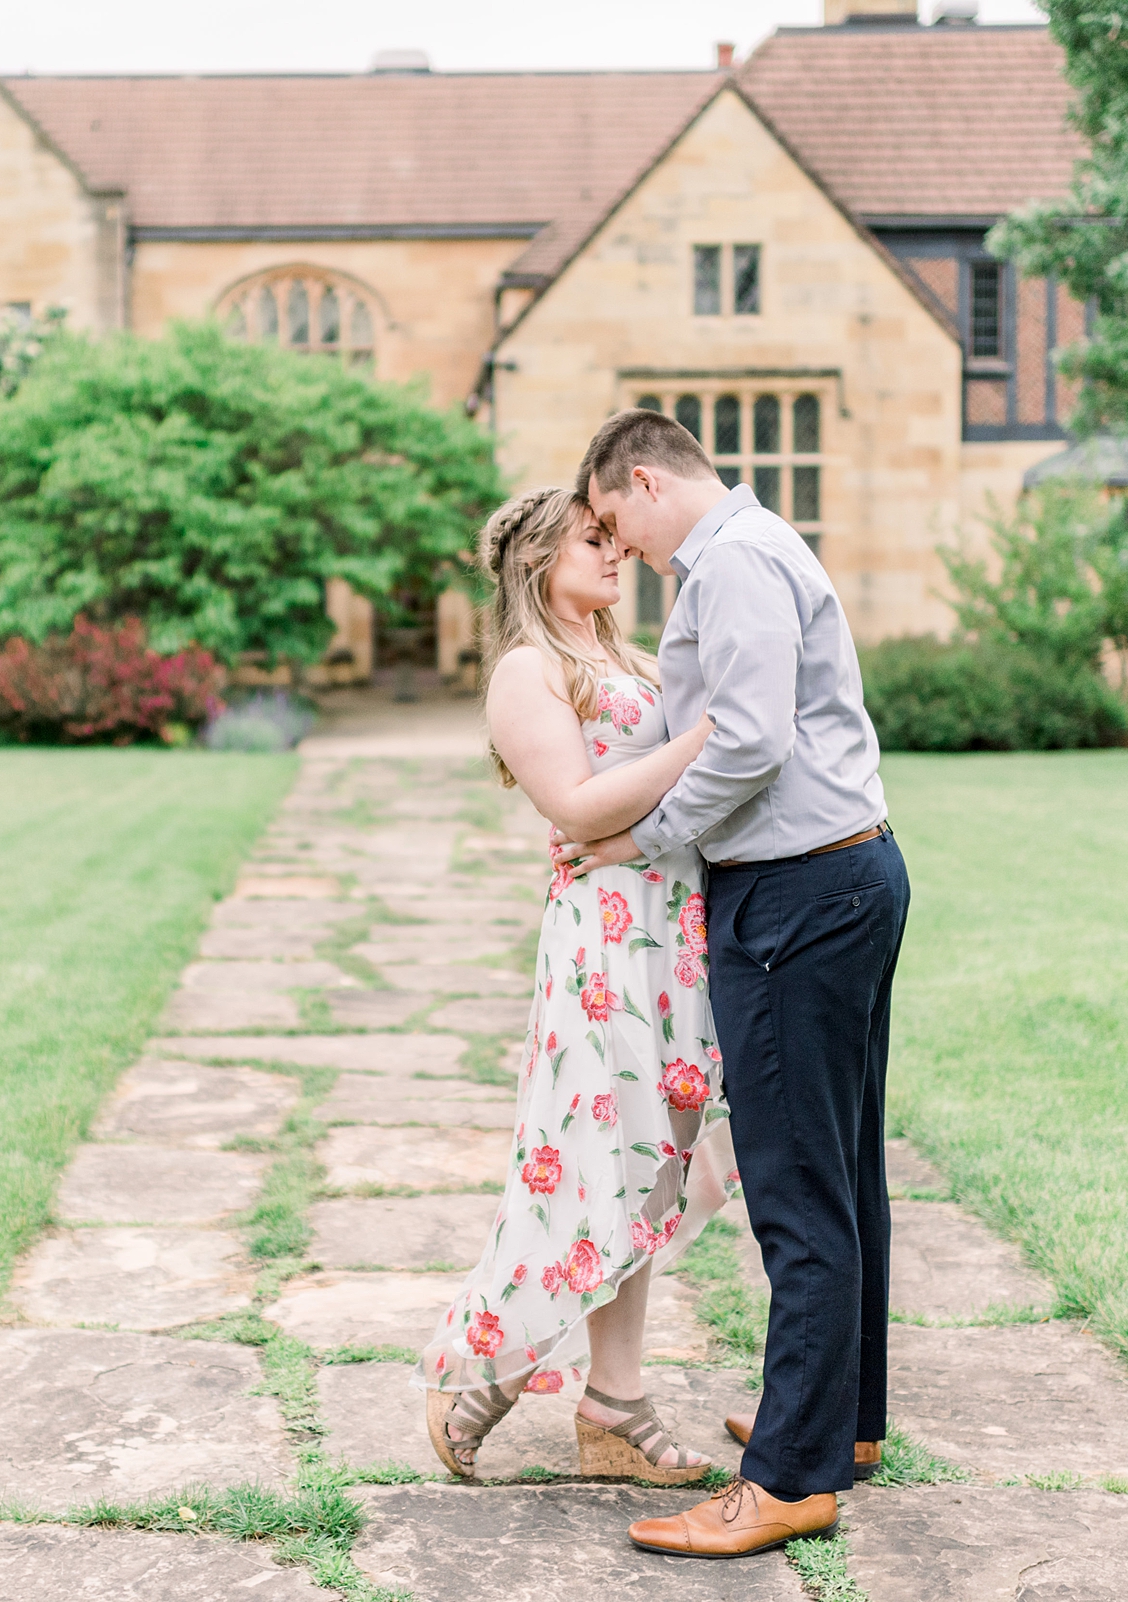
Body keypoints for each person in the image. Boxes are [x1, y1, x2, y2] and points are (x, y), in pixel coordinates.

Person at [559, 409, 909, 1557]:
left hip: (801, 895)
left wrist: (647, 837)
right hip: (837, 878)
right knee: (842, 1167)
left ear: (647, 483)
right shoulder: (746, 553)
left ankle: (792, 1478)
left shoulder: (735, 564)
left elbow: (748, 743)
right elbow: (700, 727)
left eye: (618, 524)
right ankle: (841, 1421)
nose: (628, 553)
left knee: (797, 1186)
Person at [419, 486, 737, 1484]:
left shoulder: (628, 661)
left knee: (655, 1169)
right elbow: (574, 802)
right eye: (592, 540)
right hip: (607, 945)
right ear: (534, 561)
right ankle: (493, 1364)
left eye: (614, 536)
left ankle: (611, 1401)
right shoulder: (528, 669)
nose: (615, 553)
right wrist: (704, 740)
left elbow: (640, 804)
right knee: (593, 1153)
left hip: (672, 935)